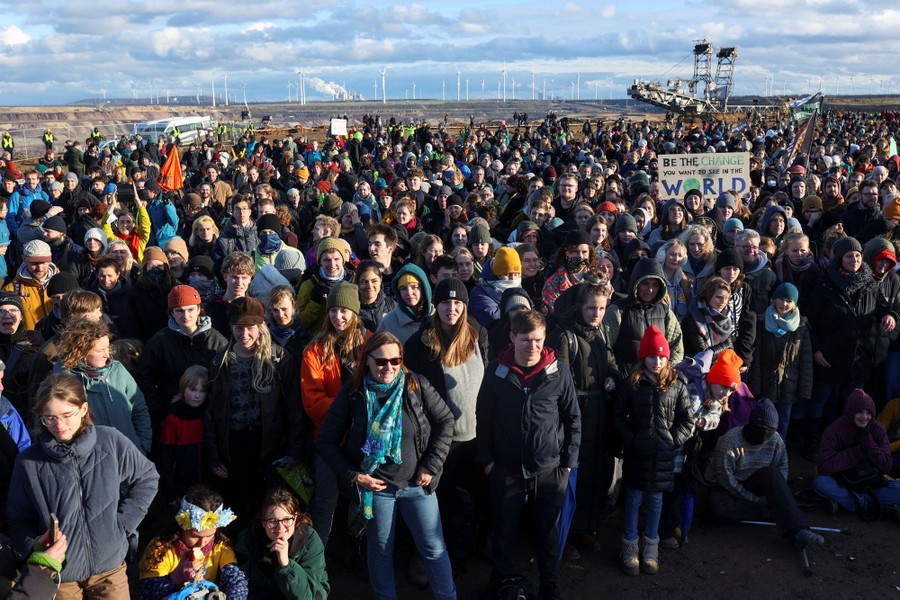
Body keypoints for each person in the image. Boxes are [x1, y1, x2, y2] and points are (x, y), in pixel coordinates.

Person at [317, 331, 456, 600]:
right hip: (376, 490)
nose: (389, 367)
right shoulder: (353, 393)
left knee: (434, 549)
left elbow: (445, 421)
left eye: (395, 360)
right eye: (381, 361)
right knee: (380, 551)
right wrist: (355, 475)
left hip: (417, 485)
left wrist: (431, 465)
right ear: (366, 360)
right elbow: (325, 442)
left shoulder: (415, 385)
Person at [7, 372, 159, 598]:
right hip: (60, 577)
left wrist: (122, 525)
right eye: (49, 417)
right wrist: (36, 550)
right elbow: (18, 519)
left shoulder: (110, 441)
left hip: (110, 569)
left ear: (84, 409)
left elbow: (147, 478)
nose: (59, 425)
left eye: (67, 415)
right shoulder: (28, 462)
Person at [476, 310, 580, 600]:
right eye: (525, 340)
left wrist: (568, 464)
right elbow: (483, 417)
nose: (532, 346)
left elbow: (573, 418)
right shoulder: (496, 371)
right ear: (512, 337)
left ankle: (550, 586)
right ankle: (499, 585)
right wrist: (487, 462)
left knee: (547, 535)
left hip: (549, 469)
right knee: (504, 534)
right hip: (506, 469)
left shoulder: (558, 371)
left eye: (538, 340)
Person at [404, 278, 489, 572]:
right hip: (442, 441)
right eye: (445, 302)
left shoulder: (479, 335)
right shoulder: (420, 343)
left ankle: (471, 550)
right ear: (435, 305)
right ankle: (427, 557)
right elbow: (412, 395)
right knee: (436, 502)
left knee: (479, 497)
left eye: (457, 303)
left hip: (478, 436)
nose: (451, 308)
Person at [205, 297, 305, 520]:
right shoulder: (220, 361)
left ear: (260, 327)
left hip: (271, 446)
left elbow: (293, 407)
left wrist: (293, 450)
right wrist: (214, 458)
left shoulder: (278, 358)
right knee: (240, 508)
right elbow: (212, 414)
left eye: (250, 328)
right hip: (234, 447)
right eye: (238, 328)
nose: (244, 334)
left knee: (271, 507)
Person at [546, 279, 621, 558]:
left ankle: (585, 530)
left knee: (594, 473)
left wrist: (613, 377)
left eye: (601, 308)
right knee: (571, 476)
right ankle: (563, 536)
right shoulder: (562, 336)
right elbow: (559, 382)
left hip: (598, 412)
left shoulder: (600, 332)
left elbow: (611, 362)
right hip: (573, 416)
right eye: (591, 308)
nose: (597, 314)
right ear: (579, 307)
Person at [613, 326, 692, 576]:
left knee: (656, 501)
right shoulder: (632, 384)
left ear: (667, 357)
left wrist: (672, 440)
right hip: (638, 454)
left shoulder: (677, 385)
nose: (656, 361)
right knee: (634, 500)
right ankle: (629, 545)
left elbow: (686, 420)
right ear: (643, 357)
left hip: (663, 456)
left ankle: (650, 546)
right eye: (651, 356)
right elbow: (617, 416)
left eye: (660, 356)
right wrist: (631, 440)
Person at [705, 399, 825, 549]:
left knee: (774, 475)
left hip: (756, 481)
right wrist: (757, 500)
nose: (763, 436)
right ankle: (771, 511)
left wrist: (776, 491)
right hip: (728, 487)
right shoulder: (730, 441)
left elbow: (782, 467)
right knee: (716, 506)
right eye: (759, 430)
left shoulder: (775, 440)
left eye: (768, 432)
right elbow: (726, 480)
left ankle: (798, 530)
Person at [300, 282, 368, 545]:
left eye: (344, 311)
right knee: (325, 501)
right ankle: (317, 560)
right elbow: (312, 400)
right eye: (333, 311)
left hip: (364, 439)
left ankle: (357, 552)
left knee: (361, 500)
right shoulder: (314, 350)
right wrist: (348, 410)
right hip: (328, 440)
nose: (337, 317)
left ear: (354, 312)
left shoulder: (370, 343)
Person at [137, 284, 228, 441]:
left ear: (199, 309)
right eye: (179, 310)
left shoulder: (217, 340)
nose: (186, 315)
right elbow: (145, 377)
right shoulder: (160, 341)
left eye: (190, 309)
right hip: (172, 417)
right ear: (172, 313)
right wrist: (159, 410)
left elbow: (226, 377)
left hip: (209, 418)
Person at [53, 319, 152, 454]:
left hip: (131, 454)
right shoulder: (63, 382)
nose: (107, 354)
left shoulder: (118, 370)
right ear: (81, 352)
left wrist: (143, 444)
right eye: (100, 350)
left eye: (107, 347)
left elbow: (139, 409)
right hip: (94, 463)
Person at [139, 485, 248, 599]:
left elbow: (235, 580)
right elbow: (148, 592)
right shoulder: (160, 547)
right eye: (194, 536)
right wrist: (177, 577)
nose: (202, 543)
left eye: (209, 536)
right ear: (181, 528)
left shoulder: (220, 547)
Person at [814, 389, 900, 517]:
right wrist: (856, 453)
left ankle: (854, 503)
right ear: (851, 411)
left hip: (870, 483)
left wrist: (868, 442)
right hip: (842, 482)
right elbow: (824, 467)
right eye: (860, 412)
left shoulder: (877, 429)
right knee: (820, 483)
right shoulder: (834, 430)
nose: (864, 417)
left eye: (868, 413)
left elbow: (887, 466)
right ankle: (871, 505)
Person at [235, 486, 330, 599]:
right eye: (272, 521)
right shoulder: (248, 540)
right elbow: (241, 586)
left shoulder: (310, 541)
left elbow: (307, 595)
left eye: (286, 520)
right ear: (263, 522)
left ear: (295, 518)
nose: (280, 528)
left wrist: (286, 565)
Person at [748, 283, 813, 443]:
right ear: (774, 300)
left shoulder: (801, 327)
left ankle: (778, 452)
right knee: (762, 421)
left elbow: (806, 360)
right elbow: (756, 358)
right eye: (781, 299)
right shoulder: (762, 322)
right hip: (765, 382)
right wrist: (754, 386)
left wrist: (805, 389)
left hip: (789, 385)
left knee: (783, 421)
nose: (784, 304)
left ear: (794, 304)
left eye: (789, 301)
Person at [159, 365, 210, 505]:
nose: (197, 395)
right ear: (183, 389)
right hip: (182, 486)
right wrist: (170, 491)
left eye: (202, 391)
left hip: (208, 485)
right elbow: (166, 459)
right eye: (193, 390)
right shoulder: (173, 420)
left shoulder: (209, 416)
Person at [377, 263, 433, 345]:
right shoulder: (388, 324)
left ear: (423, 289)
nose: (409, 293)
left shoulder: (438, 318)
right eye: (403, 288)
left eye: (414, 287)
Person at [469, 247, 522, 328]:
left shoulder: (519, 289)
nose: (513, 279)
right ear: (496, 275)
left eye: (516, 274)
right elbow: (494, 318)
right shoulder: (479, 294)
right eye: (507, 274)